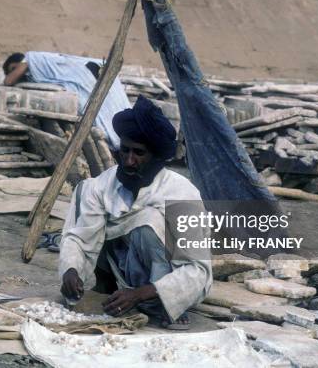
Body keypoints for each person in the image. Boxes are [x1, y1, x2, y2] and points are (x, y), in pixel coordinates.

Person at [58, 95, 212, 330]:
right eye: (125, 151)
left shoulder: (182, 194)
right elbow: (81, 237)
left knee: (147, 222)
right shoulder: (103, 185)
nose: (129, 161)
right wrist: (70, 270)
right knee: (84, 192)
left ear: (157, 159)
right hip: (120, 268)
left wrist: (141, 294)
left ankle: (164, 305)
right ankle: (108, 289)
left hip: (163, 281)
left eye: (139, 153)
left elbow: (198, 271)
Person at [2, 51, 131, 150]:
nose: (15, 74)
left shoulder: (31, 58)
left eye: (13, 69)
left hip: (83, 76)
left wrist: (21, 66)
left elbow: (8, 81)